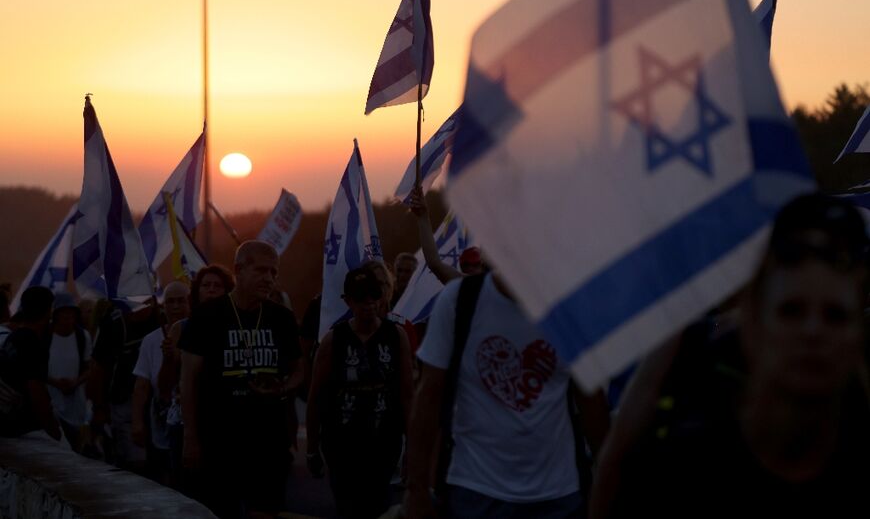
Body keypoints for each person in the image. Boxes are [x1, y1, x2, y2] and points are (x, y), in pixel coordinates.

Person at [600, 194, 870, 518]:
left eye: (835, 315)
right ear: (753, 323)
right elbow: (611, 484)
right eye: (792, 311)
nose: (812, 332)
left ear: (858, 332)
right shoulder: (691, 460)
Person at [405, 269, 610, 519]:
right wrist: (416, 491)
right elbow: (428, 398)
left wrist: (610, 479)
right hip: (475, 491)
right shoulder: (460, 300)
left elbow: (591, 401)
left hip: (558, 494)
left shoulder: (569, 305)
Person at [179, 241, 303, 518]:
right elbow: (188, 381)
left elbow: (299, 370)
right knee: (221, 511)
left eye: (273, 272)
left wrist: (283, 387)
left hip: (268, 440)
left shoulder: (281, 318)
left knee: (266, 511)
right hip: (220, 440)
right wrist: (191, 437)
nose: (269, 278)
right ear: (238, 270)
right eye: (261, 270)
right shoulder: (207, 316)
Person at [306, 267, 414, 519]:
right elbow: (316, 397)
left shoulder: (395, 336)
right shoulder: (333, 340)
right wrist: (311, 448)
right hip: (341, 443)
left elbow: (408, 394)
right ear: (348, 301)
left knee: (377, 506)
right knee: (348, 507)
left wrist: (411, 447)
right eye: (361, 297)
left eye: (374, 296)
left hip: (383, 442)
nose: (369, 303)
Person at [158, 265, 234, 490]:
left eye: (217, 286)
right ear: (197, 292)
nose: (211, 290)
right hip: (185, 424)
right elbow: (165, 388)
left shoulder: (234, 326)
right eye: (206, 285)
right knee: (188, 494)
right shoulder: (181, 329)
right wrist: (169, 359)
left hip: (225, 422)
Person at [88, 296, 162, 471]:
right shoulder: (113, 323)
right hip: (123, 402)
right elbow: (98, 369)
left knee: (158, 462)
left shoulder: (161, 318)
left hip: (157, 401)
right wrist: (99, 408)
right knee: (135, 463)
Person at [132, 280, 190, 484]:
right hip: (161, 424)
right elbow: (142, 385)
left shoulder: (201, 334)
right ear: (163, 307)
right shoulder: (150, 341)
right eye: (170, 302)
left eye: (181, 301)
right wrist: (137, 422)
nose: (175, 307)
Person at [0, 286, 63, 443]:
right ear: (48, 311)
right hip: (22, 430)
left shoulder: (13, 338)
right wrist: (53, 431)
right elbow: (36, 392)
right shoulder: (33, 344)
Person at [46, 292, 92, 451]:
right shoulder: (45, 336)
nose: (68, 316)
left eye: (71, 312)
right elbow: (36, 370)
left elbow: (89, 368)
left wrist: (75, 382)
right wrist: (55, 383)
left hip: (76, 408)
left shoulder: (82, 337)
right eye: (64, 312)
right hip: (51, 407)